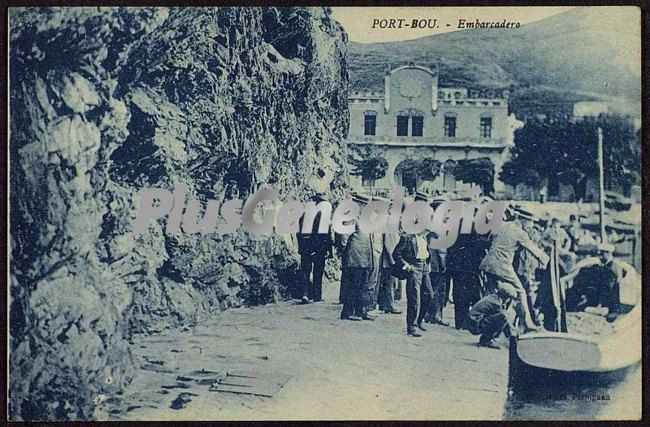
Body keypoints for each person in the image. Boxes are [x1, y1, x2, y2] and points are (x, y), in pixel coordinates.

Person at [480, 205, 550, 333]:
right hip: (502, 266)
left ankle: (487, 327)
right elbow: (533, 249)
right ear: (524, 220)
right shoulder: (520, 232)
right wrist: (546, 259)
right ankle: (527, 324)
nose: (531, 225)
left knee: (491, 295)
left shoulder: (503, 224)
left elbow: (489, 239)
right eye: (531, 222)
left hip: (487, 263)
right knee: (520, 292)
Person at [393, 192, 433, 337]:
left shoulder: (423, 236)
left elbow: (426, 250)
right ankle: (412, 326)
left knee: (429, 295)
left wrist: (427, 263)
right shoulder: (407, 236)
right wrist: (407, 266)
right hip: (413, 267)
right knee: (414, 297)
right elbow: (396, 254)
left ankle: (420, 319)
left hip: (424, 267)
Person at [447, 199, 491, 330]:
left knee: (459, 293)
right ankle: (468, 323)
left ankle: (459, 322)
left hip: (457, 263)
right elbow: (479, 243)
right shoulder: (474, 224)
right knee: (469, 293)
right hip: (469, 265)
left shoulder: (460, 221)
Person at [340, 193, 382, 321]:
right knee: (353, 285)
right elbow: (343, 238)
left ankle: (360, 311)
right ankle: (348, 312)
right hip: (356, 257)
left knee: (363, 286)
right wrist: (346, 255)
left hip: (366, 257)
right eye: (364, 204)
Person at [563, 243, 622, 322]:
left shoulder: (612, 269)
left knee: (579, 309)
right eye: (599, 254)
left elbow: (607, 290)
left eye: (602, 254)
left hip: (608, 308)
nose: (599, 256)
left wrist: (598, 303)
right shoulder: (606, 266)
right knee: (577, 305)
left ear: (608, 253)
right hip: (604, 304)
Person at [296, 192, 333, 303]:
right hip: (319, 249)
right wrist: (328, 250)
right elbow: (326, 235)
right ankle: (317, 295)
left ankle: (305, 294)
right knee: (318, 271)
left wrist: (302, 248)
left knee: (305, 272)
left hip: (307, 249)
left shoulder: (304, 215)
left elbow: (299, 234)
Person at [466, 282, 518, 349]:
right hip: (474, 325)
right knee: (503, 316)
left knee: (502, 316)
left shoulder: (493, 297)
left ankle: (487, 338)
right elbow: (506, 320)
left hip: (473, 322)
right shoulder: (496, 303)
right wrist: (513, 336)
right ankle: (486, 340)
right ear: (505, 297)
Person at [424, 195, 450, 326]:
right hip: (438, 263)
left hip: (430, 261)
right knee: (438, 290)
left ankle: (428, 315)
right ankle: (436, 315)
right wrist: (443, 264)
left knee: (430, 288)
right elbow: (441, 247)